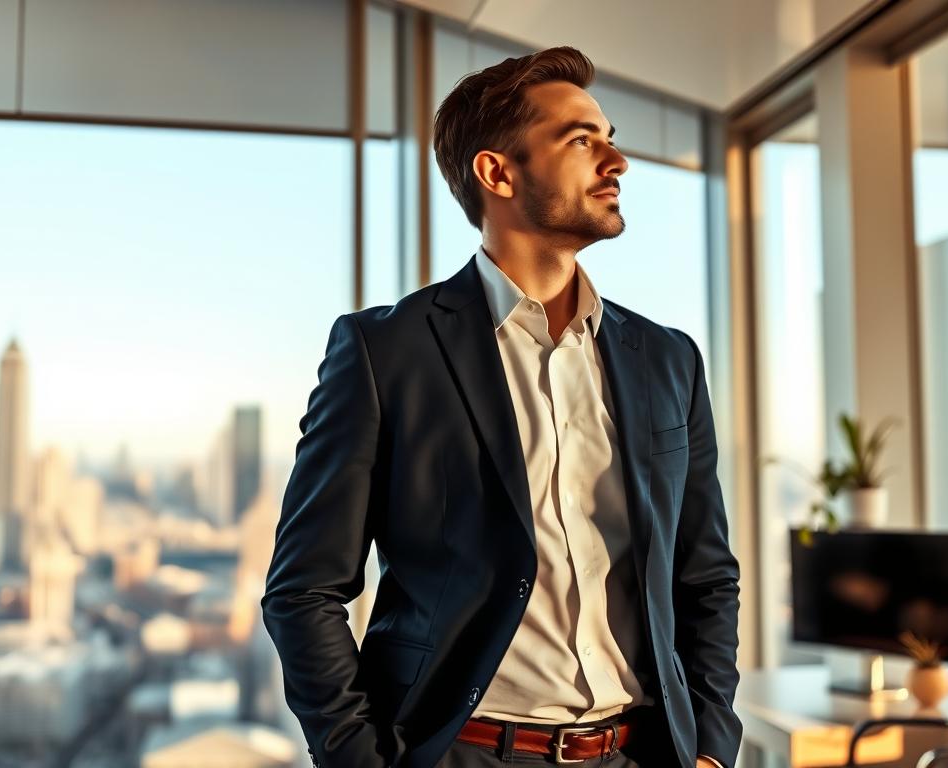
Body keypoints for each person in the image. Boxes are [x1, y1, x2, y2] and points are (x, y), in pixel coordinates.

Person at [262, 46, 740, 768]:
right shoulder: (386, 352)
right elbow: (303, 589)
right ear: (497, 172)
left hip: (639, 752)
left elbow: (704, 577)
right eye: (583, 140)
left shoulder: (669, 360)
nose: (617, 161)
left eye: (609, 137)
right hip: (466, 752)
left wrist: (710, 747)